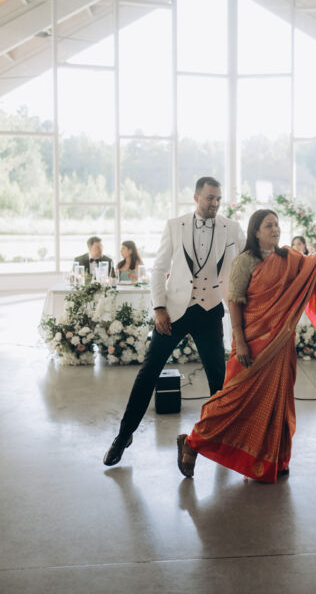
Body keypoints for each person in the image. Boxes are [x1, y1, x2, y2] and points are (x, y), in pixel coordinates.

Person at [176, 207, 316, 483]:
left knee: (278, 404)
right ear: (255, 232)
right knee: (233, 400)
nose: (275, 229)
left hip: (281, 345)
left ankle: (274, 458)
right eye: (268, 225)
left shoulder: (290, 258)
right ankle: (192, 442)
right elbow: (235, 301)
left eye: (276, 224)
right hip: (251, 343)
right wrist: (240, 340)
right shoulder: (245, 261)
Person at [103, 176, 246, 466]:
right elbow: (158, 270)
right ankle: (124, 434)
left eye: (218, 198)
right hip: (175, 311)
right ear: (196, 197)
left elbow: (249, 261)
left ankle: (221, 438)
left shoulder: (231, 228)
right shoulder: (174, 225)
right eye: (210, 198)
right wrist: (159, 308)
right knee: (149, 372)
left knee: (218, 379)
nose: (215, 203)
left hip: (210, 310)